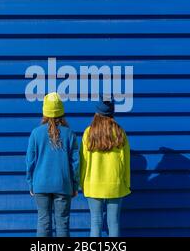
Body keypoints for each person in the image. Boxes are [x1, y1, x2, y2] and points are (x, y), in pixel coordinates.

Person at [26, 92, 79, 237]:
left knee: (43, 222)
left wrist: (31, 184)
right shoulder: (69, 134)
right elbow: (75, 163)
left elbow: (30, 162)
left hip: (41, 184)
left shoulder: (36, 134)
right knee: (62, 224)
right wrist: (75, 185)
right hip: (63, 184)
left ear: (45, 112)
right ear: (61, 112)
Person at [80, 96, 131, 237]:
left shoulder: (88, 133)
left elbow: (84, 161)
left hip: (93, 184)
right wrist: (126, 183)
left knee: (95, 222)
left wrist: (82, 182)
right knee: (113, 223)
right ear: (112, 113)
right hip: (115, 184)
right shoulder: (120, 133)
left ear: (97, 112)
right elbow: (125, 161)